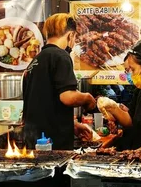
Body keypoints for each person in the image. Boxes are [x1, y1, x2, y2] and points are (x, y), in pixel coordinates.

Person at [21, 13, 96, 149]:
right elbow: (67, 97)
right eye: (75, 38)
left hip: (33, 140)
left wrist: (71, 125)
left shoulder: (36, 60)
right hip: (52, 143)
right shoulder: (61, 56)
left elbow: (43, 102)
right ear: (70, 36)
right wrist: (88, 98)